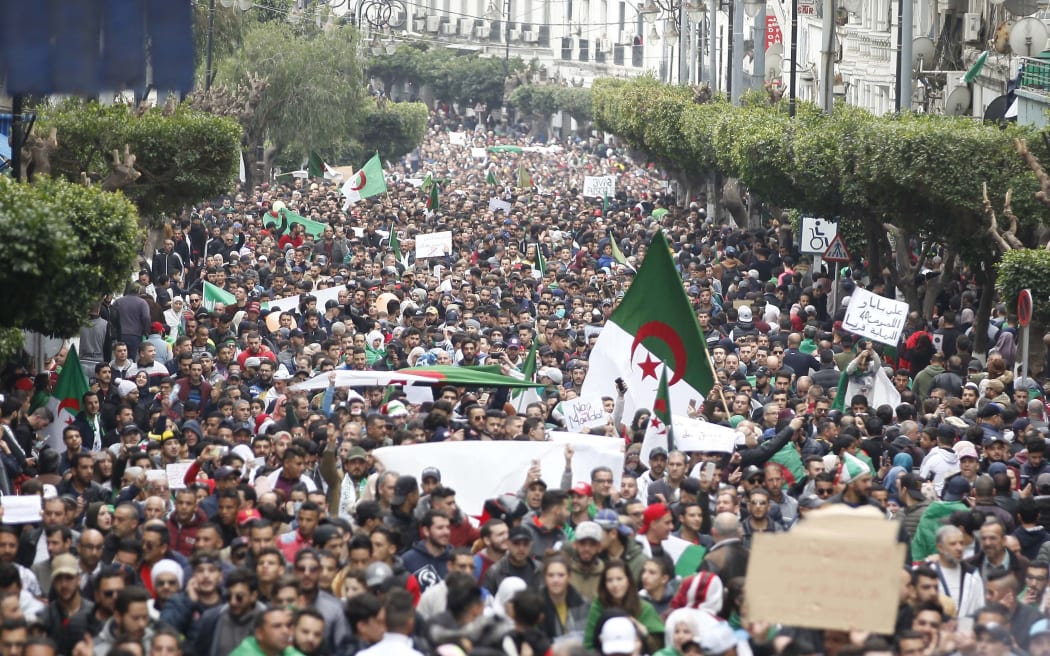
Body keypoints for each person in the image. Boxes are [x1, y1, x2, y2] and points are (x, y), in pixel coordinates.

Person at [583, 560, 664, 651]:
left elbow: (658, 648)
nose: (615, 584)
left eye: (619, 579)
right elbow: (588, 645)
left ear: (628, 580)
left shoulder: (645, 608)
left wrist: (643, 633)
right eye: (609, 580)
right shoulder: (598, 606)